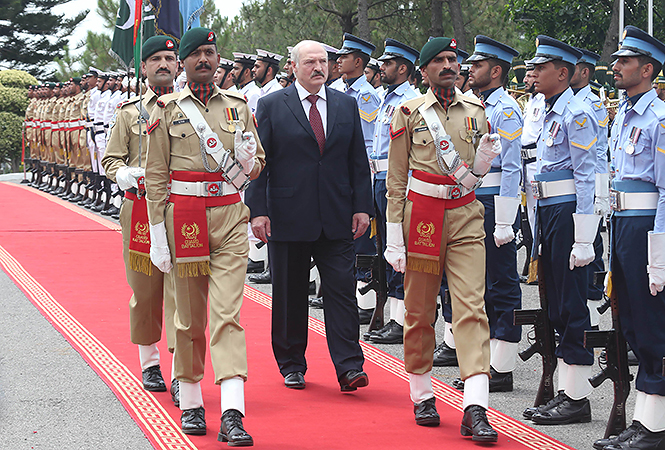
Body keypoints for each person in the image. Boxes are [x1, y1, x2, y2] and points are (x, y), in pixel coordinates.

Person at [145, 27, 264, 446]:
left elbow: (256, 164)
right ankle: (193, 402)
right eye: (195, 54)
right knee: (190, 318)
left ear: (217, 59)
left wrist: (251, 163)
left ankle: (233, 412)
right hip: (186, 219)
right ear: (183, 63)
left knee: (228, 315)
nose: (204, 59)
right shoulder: (165, 109)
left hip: (231, 216)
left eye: (210, 52)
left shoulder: (238, 106)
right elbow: (156, 177)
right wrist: (157, 234)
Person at [385, 36, 499, 441]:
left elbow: (474, 171)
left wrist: (483, 164)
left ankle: (476, 406)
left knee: (471, 307)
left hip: (466, 214)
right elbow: (396, 181)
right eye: (441, 60)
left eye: (454, 59)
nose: (450, 65)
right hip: (422, 218)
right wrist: (393, 236)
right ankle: (421, 393)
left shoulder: (476, 109)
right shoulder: (408, 112)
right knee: (419, 311)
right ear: (425, 69)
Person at [245, 39, 373, 392]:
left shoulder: (346, 105)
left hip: (337, 213)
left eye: (324, 62)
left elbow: (357, 161)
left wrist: (362, 206)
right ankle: (291, 363)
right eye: (311, 62)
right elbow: (261, 162)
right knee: (289, 293)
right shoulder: (272, 105)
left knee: (342, 292)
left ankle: (349, 366)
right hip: (287, 213)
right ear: (294, 66)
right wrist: (258, 212)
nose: (319, 68)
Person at [592, 25, 665, 450]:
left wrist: (659, 254)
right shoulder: (623, 113)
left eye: (625, 61)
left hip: (645, 229)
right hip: (622, 225)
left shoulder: (658, 119)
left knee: (653, 325)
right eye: (616, 59)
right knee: (633, 326)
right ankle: (644, 421)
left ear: (648, 68)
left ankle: (654, 428)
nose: (615, 67)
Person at [522, 36, 599, 425]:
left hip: (569, 211)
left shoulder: (578, 112)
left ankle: (577, 397)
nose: (533, 73)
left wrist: (585, 236)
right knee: (553, 302)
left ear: (563, 73)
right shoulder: (549, 109)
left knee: (570, 302)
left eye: (541, 67)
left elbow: (587, 176)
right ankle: (566, 391)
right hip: (549, 209)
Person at [102, 35, 178, 402]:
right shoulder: (129, 112)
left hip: (184, 210)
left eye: (170, 58)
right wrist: (124, 174)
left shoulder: (192, 108)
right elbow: (110, 159)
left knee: (185, 294)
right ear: (144, 67)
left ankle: (183, 368)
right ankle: (149, 361)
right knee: (146, 291)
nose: (164, 64)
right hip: (141, 210)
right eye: (156, 59)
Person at [456, 35, 523, 393]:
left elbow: (512, 167)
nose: (470, 69)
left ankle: (502, 364)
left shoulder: (505, 109)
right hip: (474, 197)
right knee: (478, 284)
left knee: (501, 282)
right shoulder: (473, 105)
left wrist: (506, 219)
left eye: (478, 65)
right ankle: (485, 361)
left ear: (495, 71)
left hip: (496, 199)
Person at [365, 38, 420, 345]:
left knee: (401, 252)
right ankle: (392, 314)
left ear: (402, 68)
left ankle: (401, 320)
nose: (381, 68)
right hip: (379, 179)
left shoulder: (410, 101)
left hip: (398, 182)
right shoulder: (385, 99)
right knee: (386, 249)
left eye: (387, 64)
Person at [336, 33, 381, 319]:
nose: (338, 60)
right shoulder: (341, 90)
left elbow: (366, 141)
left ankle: (366, 302)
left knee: (363, 237)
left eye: (345, 56)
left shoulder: (366, 95)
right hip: (341, 172)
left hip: (360, 171)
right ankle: (354, 294)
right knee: (346, 236)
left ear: (358, 61)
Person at [571, 48, 610, 329]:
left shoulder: (593, 104)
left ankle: (592, 316)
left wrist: (599, 193)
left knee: (592, 248)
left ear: (585, 72)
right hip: (570, 185)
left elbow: (598, 152)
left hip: (590, 183)